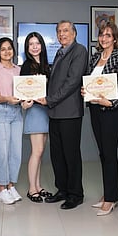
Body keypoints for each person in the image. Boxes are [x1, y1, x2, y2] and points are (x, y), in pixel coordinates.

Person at [83, 22, 118, 216]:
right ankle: (109, 194)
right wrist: (85, 90)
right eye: (102, 35)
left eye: (108, 35)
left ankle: (110, 199)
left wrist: (111, 103)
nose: (104, 38)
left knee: (110, 153)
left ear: (115, 38)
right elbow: (90, 82)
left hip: (113, 110)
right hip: (96, 110)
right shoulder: (95, 57)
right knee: (103, 153)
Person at [38, 20, 88, 210]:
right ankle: (63, 190)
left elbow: (72, 82)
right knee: (57, 154)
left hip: (70, 112)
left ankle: (75, 194)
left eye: (65, 30)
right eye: (59, 31)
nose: (61, 34)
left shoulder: (79, 51)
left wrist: (50, 99)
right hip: (55, 113)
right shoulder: (60, 52)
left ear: (74, 33)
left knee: (71, 154)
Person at [0, 37, 23, 205]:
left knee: (15, 151)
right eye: (3, 49)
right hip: (0, 111)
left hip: (17, 113)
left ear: (14, 51)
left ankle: (10, 185)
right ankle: (1, 188)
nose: (7, 51)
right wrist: (8, 99)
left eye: (9, 48)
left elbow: (22, 91)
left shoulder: (19, 69)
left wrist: (26, 100)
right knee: (1, 152)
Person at [20, 32, 53, 203]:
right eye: (31, 44)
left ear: (42, 45)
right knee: (37, 151)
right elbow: (23, 91)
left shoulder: (47, 65)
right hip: (35, 112)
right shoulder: (27, 66)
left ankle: (38, 186)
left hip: (47, 111)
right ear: (27, 48)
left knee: (41, 152)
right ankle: (31, 188)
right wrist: (25, 103)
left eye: (37, 43)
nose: (34, 46)